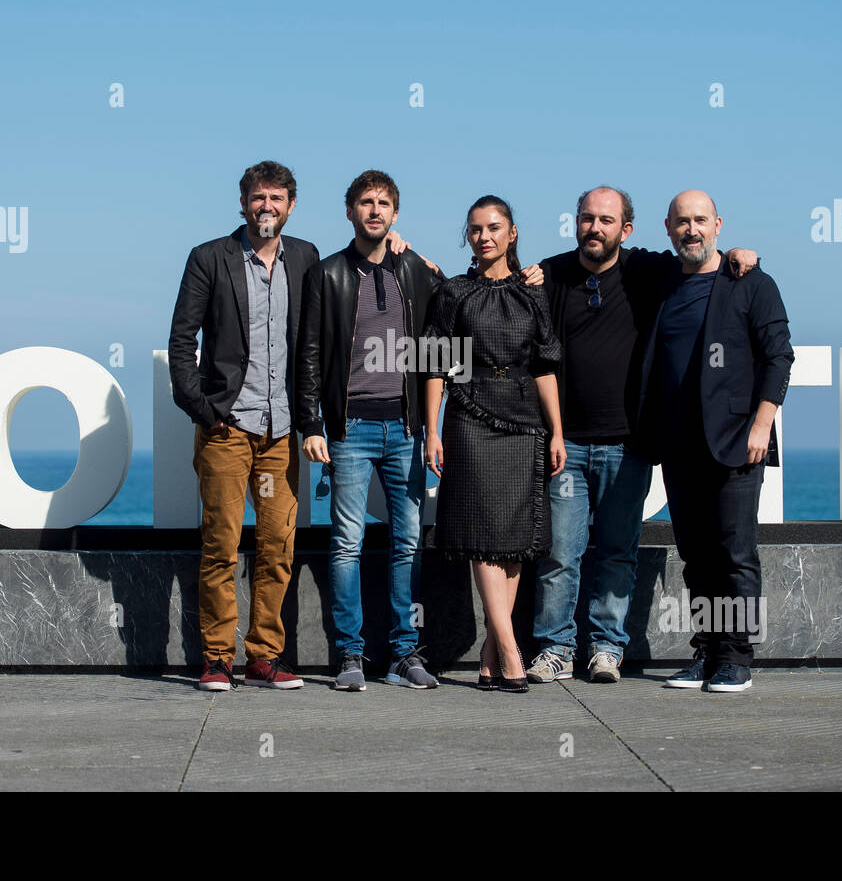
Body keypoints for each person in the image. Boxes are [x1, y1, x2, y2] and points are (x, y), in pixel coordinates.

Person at [527, 187, 758, 684]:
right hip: (566, 444)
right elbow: (498, 287)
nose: (595, 228)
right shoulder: (551, 273)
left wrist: (743, 254)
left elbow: (706, 260)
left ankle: (608, 648)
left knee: (618, 552)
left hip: (629, 443)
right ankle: (556, 649)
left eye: (606, 220)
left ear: (625, 230)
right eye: (587, 218)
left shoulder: (649, 271)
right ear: (575, 223)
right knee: (559, 555)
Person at [167, 160, 317, 692]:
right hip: (227, 431)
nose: (266, 206)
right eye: (258, 197)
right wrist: (204, 410)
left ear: (291, 205)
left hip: (280, 434)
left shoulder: (305, 258)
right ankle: (215, 658)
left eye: (277, 198)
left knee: (278, 544)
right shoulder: (210, 258)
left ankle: (264, 657)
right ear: (243, 202)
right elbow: (182, 341)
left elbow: (315, 341)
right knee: (221, 545)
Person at [638, 189, 793, 693]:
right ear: (667, 228)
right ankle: (706, 652)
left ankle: (736, 658)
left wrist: (762, 425)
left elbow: (779, 357)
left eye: (700, 220)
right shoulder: (662, 281)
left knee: (735, 552)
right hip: (679, 443)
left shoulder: (750, 282)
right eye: (682, 222)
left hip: (736, 440)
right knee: (697, 555)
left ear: (718, 224)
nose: (691, 230)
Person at [297, 169, 445, 691]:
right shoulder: (328, 273)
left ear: (395, 214)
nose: (375, 210)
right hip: (350, 427)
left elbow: (450, 317)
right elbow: (309, 353)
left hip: (405, 429)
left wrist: (425, 260)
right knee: (347, 543)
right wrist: (311, 422)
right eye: (365, 202)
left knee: (407, 542)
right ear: (350, 211)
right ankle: (350, 656)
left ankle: (404, 654)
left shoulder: (414, 273)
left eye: (384, 203)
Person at [424, 195, 565, 693]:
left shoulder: (533, 293)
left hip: (526, 419)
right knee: (484, 532)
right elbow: (436, 366)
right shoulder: (453, 293)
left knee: (514, 541)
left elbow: (546, 364)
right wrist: (433, 428)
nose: (484, 237)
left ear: (512, 233)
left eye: (493, 228)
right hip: (471, 416)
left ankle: (488, 651)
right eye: (475, 229)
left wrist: (558, 431)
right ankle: (509, 649)